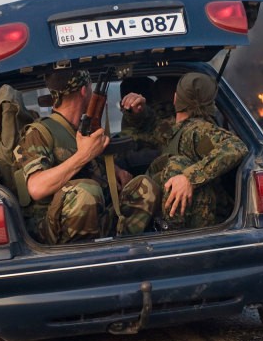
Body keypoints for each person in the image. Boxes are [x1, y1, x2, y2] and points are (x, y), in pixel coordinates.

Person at [13, 69, 159, 244]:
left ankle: (122, 249)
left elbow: (91, 165)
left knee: (145, 186)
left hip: (96, 214)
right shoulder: (39, 132)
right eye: (90, 88)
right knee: (85, 190)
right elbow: (37, 187)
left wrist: (115, 171)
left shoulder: (82, 130)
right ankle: (80, 257)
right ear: (84, 90)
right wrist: (83, 155)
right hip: (54, 225)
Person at [120, 72, 247, 230]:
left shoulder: (198, 130)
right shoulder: (176, 129)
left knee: (176, 164)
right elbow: (151, 126)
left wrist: (188, 177)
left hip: (193, 226)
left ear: (175, 99)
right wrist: (138, 112)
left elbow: (236, 147)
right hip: (172, 222)